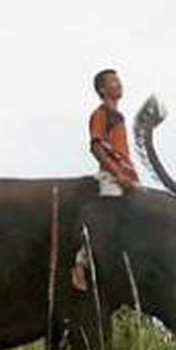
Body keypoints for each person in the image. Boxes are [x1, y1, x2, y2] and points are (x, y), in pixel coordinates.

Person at [70, 68, 139, 291]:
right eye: (113, 82)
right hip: (112, 176)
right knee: (108, 220)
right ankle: (80, 264)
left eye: (119, 81)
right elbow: (97, 147)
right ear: (102, 89)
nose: (119, 84)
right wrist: (117, 174)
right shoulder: (101, 114)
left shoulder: (118, 116)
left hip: (126, 175)